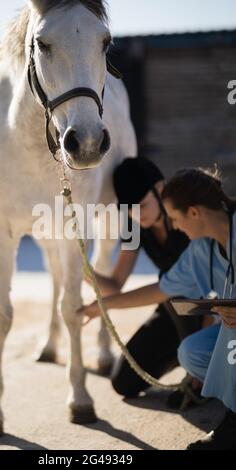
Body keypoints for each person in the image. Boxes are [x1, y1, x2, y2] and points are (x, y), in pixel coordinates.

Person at [80, 157, 203, 407]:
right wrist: (84, 270)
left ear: (160, 189)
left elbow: (178, 288)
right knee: (123, 382)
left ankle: (199, 366)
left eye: (142, 205)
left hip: (213, 309)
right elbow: (115, 284)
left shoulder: (187, 215)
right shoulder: (135, 225)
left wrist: (201, 363)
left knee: (173, 295)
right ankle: (183, 355)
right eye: (129, 210)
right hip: (174, 309)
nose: (137, 215)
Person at [159, 167, 236, 450]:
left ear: (193, 213)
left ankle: (232, 426)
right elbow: (163, 288)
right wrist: (101, 305)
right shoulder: (202, 248)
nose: (175, 227)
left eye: (175, 219)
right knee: (192, 352)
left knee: (231, 332)